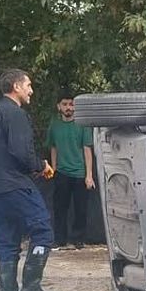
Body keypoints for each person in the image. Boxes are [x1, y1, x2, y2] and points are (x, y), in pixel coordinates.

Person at [0, 69, 59, 291]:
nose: (31, 91)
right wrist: (41, 165)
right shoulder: (15, 113)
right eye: (28, 85)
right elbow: (21, 151)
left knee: (7, 239)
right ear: (16, 86)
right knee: (43, 230)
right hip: (13, 183)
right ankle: (31, 288)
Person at [45, 95, 95, 249]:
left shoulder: (82, 124)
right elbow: (53, 147)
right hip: (62, 172)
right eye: (65, 104)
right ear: (58, 106)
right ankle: (60, 239)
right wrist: (54, 168)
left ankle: (78, 239)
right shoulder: (54, 124)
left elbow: (87, 149)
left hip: (80, 173)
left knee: (81, 209)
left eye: (71, 104)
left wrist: (89, 175)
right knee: (60, 208)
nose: (68, 107)